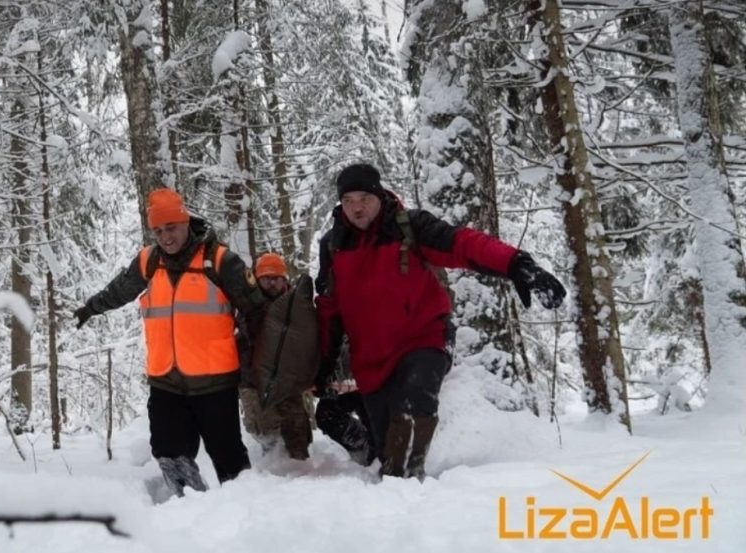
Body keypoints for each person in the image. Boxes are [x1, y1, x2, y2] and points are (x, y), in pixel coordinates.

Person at [314, 163, 566, 480]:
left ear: (379, 194)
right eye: (348, 200)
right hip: (371, 362)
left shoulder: (409, 226)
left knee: (411, 417)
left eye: (364, 196)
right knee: (387, 452)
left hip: (424, 339)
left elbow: (463, 243)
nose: (356, 207)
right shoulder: (332, 246)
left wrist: (516, 264)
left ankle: (411, 501)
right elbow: (328, 308)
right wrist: (323, 363)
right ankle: (390, 480)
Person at [74, 188, 266, 496]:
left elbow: (257, 313)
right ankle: (190, 512)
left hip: (215, 383)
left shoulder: (219, 261)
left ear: (186, 222)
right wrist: (91, 308)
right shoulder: (149, 262)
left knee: (228, 457)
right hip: (166, 381)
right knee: (168, 451)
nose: (165, 236)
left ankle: (243, 518)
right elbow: (120, 290)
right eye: (158, 230)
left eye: (171, 227)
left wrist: (257, 363)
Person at [238, 252, 313, 460]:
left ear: (284, 279)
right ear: (257, 278)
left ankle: (299, 473)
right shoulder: (246, 305)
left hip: (288, 380)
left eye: (276, 278)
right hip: (254, 380)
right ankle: (272, 470)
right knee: (264, 431)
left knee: (297, 435)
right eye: (266, 278)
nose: (271, 283)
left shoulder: (297, 305)